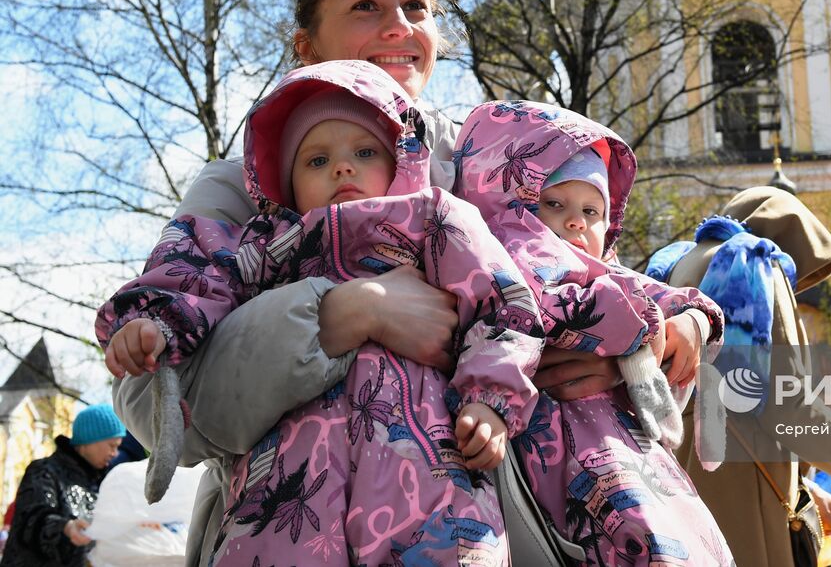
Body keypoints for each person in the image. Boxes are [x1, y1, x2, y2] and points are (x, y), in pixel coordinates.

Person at [109, 0, 621, 567]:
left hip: (491, 533)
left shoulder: (506, 168)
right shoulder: (242, 186)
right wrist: (342, 313)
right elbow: (148, 402)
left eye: (416, 7)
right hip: (283, 529)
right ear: (306, 44)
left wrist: (622, 358)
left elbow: (598, 290)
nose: (398, 27)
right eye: (365, 7)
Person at [97, 61, 544, 565]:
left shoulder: (435, 217)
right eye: (316, 161)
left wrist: (491, 399)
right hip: (287, 494)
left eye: (365, 152)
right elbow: (196, 271)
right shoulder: (270, 245)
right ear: (284, 184)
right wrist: (154, 320)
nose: (342, 167)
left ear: (401, 160)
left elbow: (503, 304)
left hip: (430, 479)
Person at [453, 100, 735, 565]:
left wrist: (693, 320)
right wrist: (648, 323)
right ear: (511, 201)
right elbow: (557, 309)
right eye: (554, 204)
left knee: (685, 534)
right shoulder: (511, 261)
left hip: (626, 444)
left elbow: (671, 296)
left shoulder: (604, 272)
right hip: (568, 444)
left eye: (592, 210)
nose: (576, 222)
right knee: (642, 538)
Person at [647, 187, 831, 567]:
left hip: (687, 478)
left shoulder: (681, 264)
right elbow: (787, 406)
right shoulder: (755, 259)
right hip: (745, 494)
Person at [0, 403, 125, 567]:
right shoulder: (44, 471)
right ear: (90, 439)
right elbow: (32, 519)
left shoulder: (101, 483)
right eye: (112, 445)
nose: (115, 454)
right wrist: (65, 527)